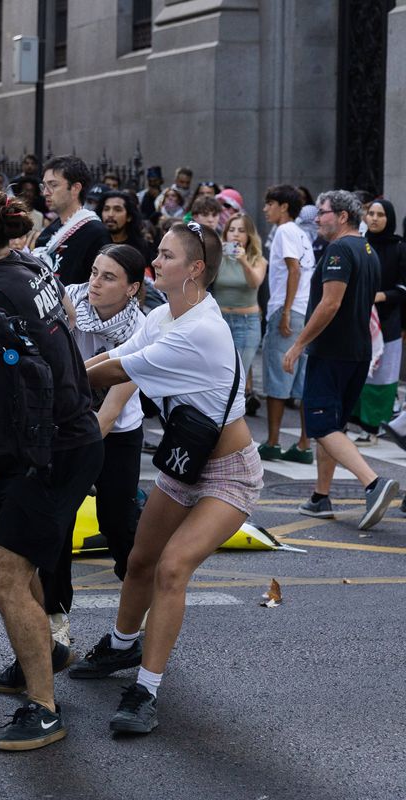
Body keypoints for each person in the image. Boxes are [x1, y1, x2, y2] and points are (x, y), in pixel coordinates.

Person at [78, 221, 263, 735]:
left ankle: (145, 690)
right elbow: (113, 357)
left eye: (165, 255)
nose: (154, 262)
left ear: (195, 268)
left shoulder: (198, 331)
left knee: (172, 568)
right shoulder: (164, 314)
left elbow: (114, 373)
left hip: (229, 473)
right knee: (140, 558)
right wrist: (69, 368)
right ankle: (121, 646)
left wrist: (51, 378)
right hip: (185, 462)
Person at [0, 188, 101, 749]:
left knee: (4, 573)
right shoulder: (32, 266)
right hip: (57, 440)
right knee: (10, 558)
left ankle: (44, 708)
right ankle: (45, 652)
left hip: (53, 449)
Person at [287, 191, 399, 528]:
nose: (317, 219)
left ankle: (373, 483)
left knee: (321, 425)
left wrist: (298, 344)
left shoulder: (339, 250)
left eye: (322, 212)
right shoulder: (367, 249)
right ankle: (320, 497)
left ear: (342, 216)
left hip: (332, 351)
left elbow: (331, 303)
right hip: (357, 352)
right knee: (332, 427)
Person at [66, 244, 148, 582]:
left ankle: (138, 590)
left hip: (117, 432)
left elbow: (110, 411)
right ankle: (55, 606)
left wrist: (80, 459)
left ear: (132, 288)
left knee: (117, 522)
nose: (95, 282)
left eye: (109, 277)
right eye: (94, 272)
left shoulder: (142, 329)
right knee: (58, 520)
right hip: (69, 426)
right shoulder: (69, 304)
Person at [260, 184, 315, 463]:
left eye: (270, 204)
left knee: (277, 376)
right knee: (301, 380)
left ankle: (272, 442)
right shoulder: (302, 233)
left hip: (288, 308)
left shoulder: (285, 231)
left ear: (284, 207)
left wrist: (285, 311)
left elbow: (294, 269)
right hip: (305, 310)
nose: (265, 209)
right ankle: (304, 445)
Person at [351, 199, 406, 445]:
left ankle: (372, 427)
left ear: (389, 219)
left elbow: (403, 288)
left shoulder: (399, 248)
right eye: (371, 213)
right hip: (358, 319)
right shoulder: (360, 244)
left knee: (382, 378)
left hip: (388, 322)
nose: (374, 218)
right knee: (359, 373)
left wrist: (381, 296)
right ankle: (356, 422)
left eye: (380, 214)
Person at [33, 155, 113, 285]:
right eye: (44, 186)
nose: (45, 193)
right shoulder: (47, 233)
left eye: (53, 185)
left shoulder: (96, 234)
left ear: (75, 188)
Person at [215, 213, 267, 399]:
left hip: (245, 324)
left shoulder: (257, 260)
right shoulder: (218, 257)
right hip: (219, 322)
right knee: (217, 375)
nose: (235, 234)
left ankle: (234, 412)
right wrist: (214, 254)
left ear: (249, 235)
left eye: (241, 230)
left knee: (237, 377)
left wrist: (243, 261)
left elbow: (255, 283)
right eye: (231, 230)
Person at [101, 190, 156, 264]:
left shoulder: (142, 248)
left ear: (129, 217)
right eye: (106, 209)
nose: (110, 214)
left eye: (117, 210)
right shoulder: (95, 243)